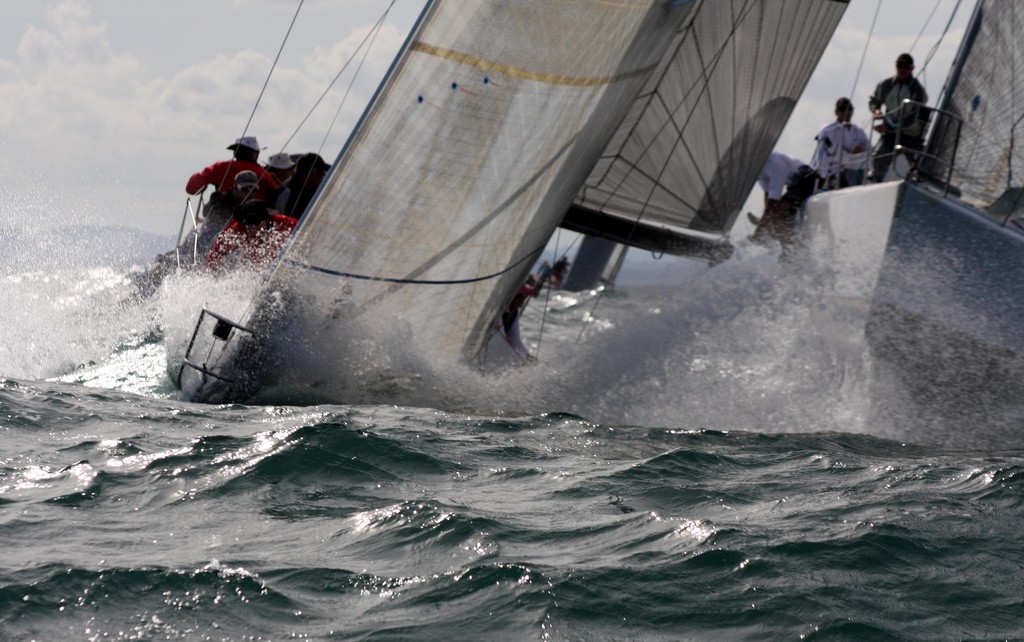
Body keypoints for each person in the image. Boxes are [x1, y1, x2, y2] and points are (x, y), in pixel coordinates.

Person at [205, 170, 299, 272]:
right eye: (249, 226)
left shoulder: (283, 223)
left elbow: (307, 230)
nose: (252, 229)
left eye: (255, 224)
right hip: (256, 263)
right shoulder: (237, 228)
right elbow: (215, 255)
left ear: (266, 219)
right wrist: (209, 272)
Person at [868, 53, 928, 182]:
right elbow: (874, 101)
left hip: (910, 136)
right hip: (890, 134)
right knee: (878, 158)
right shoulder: (886, 85)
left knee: (910, 167)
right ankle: (874, 183)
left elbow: (912, 117)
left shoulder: (917, 91)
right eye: (899, 66)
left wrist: (888, 126)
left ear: (912, 69)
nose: (902, 70)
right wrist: (876, 111)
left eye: (906, 67)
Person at [751, 152, 816, 251]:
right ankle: (788, 249)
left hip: (808, 179)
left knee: (778, 211)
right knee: (775, 215)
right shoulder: (759, 170)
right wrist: (767, 221)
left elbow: (773, 203)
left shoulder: (776, 163)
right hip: (795, 185)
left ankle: (792, 250)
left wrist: (759, 230)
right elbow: (768, 195)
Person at [812, 97, 870, 188]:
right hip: (830, 174)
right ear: (836, 112)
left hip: (856, 174)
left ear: (853, 111)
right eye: (842, 109)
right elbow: (830, 154)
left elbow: (869, 152)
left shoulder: (859, 131)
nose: (846, 112)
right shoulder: (827, 130)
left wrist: (848, 154)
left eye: (849, 109)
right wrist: (853, 153)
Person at [277, 153, 330, 218]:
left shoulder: (323, 187)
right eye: (321, 173)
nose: (322, 176)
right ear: (309, 173)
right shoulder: (286, 192)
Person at [500, 276, 537, 359]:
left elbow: (515, 340)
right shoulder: (498, 310)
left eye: (525, 297)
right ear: (512, 296)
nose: (522, 302)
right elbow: (500, 334)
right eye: (521, 297)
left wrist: (527, 356)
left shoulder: (514, 313)